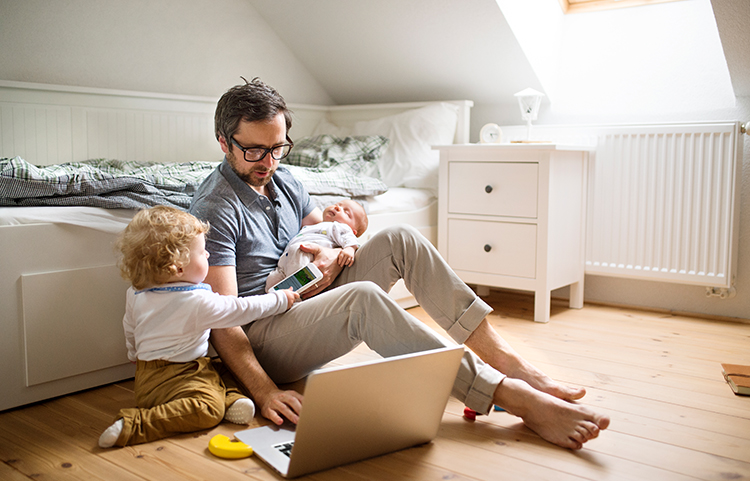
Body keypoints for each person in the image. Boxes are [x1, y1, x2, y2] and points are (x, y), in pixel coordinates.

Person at [189, 78, 610, 450]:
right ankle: (512, 397)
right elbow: (223, 320)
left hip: (304, 300)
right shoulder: (216, 207)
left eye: (278, 147)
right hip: (263, 336)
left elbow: (321, 232)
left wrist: (339, 252)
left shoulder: (285, 179)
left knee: (400, 238)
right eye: (254, 150)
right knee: (362, 298)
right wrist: (264, 392)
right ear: (225, 143)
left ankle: (511, 365)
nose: (268, 161)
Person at [98, 205, 298, 448]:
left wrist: (133, 353)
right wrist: (281, 300)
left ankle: (231, 400)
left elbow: (130, 327)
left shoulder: (137, 292)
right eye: (202, 252)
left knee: (223, 368)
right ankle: (135, 424)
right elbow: (241, 309)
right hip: (174, 380)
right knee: (206, 409)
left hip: (148, 374)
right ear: (178, 267)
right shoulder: (195, 301)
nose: (208, 256)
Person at [265, 199, 367, 292]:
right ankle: (275, 299)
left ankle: (294, 298)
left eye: (346, 212)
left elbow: (348, 237)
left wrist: (350, 248)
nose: (337, 208)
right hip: (286, 261)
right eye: (337, 204)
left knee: (298, 277)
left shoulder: (338, 227)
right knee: (272, 281)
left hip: (307, 257)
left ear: (352, 230)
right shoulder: (316, 226)